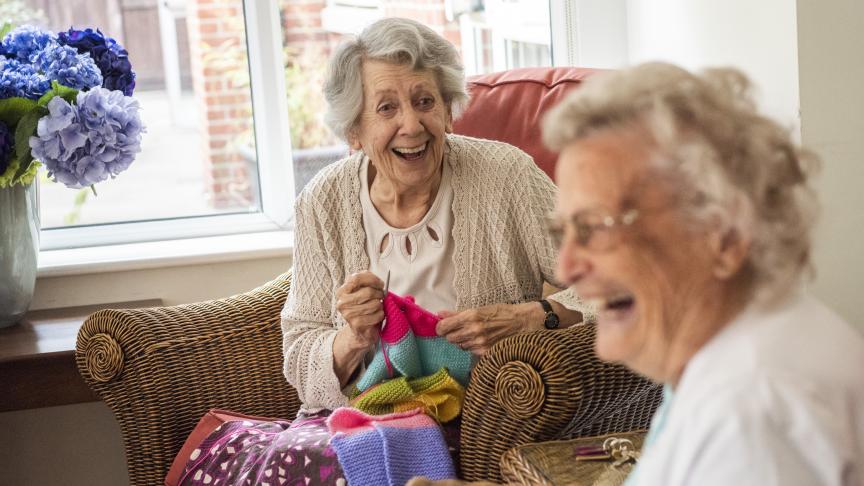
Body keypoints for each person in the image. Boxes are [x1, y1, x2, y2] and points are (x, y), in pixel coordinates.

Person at [543, 62, 864, 485]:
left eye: (595, 227)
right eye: (563, 230)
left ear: (723, 237)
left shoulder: (750, 417)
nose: (566, 267)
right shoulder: (735, 351)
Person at [281, 16, 584, 413]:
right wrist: (354, 336)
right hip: (366, 422)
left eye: (425, 102)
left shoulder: (507, 176)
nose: (411, 124)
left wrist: (530, 317)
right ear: (354, 131)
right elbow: (299, 355)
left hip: (490, 419)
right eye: (386, 108)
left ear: (447, 112)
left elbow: (620, 282)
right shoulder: (322, 201)